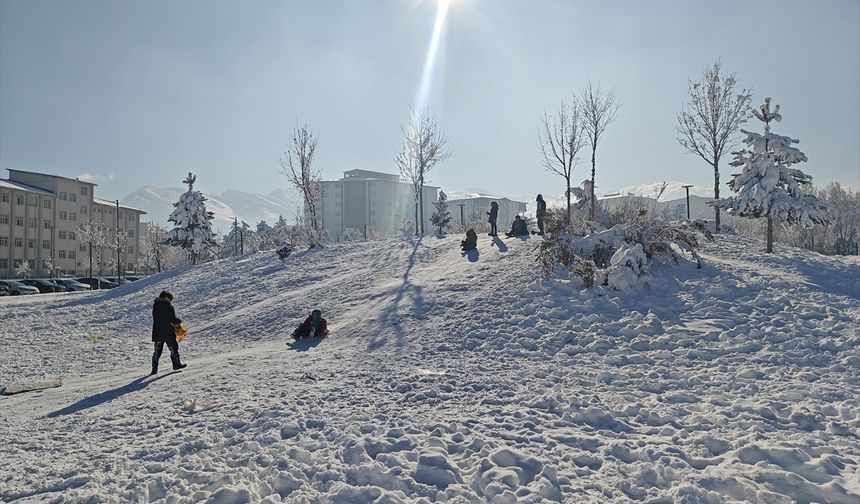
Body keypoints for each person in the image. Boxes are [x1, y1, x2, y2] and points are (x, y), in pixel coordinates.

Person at [151, 290, 186, 374]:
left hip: (157, 331)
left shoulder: (156, 305)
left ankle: (154, 369)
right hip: (167, 331)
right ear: (167, 298)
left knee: (157, 350)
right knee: (173, 347)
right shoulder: (168, 305)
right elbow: (172, 319)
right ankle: (176, 364)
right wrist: (179, 321)